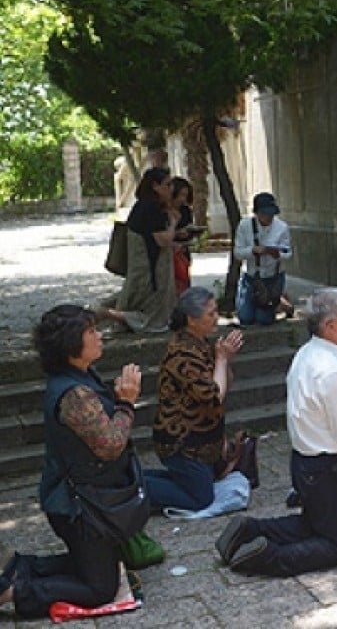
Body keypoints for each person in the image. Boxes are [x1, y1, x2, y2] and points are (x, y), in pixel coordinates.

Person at [214, 287, 337, 576]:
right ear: (330, 326)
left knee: (316, 524)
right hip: (330, 469)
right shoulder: (330, 369)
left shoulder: (307, 353)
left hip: (307, 464)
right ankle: (268, 557)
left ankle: (251, 531)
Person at [0, 305, 142, 618]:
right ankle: (15, 592)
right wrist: (126, 404)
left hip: (86, 498)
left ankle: (19, 567)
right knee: (100, 589)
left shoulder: (78, 375)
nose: (99, 336)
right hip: (78, 508)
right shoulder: (74, 394)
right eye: (91, 332)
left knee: (93, 566)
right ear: (70, 345)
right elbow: (110, 445)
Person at [145, 287, 244, 511]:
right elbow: (213, 396)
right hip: (181, 442)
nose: (216, 317)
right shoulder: (183, 354)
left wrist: (224, 360)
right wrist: (221, 359)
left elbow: (223, 385)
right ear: (192, 319)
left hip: (202, 438)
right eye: (210, 314)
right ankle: (134, 486)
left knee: (197, 486)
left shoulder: (199, 344)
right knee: (200, 499)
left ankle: (134, 478)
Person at [97, 167, 179, 332]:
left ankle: (107, 313)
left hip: (144, 267)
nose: (171, 189)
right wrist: (173, 223)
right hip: (149, 269)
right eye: (167, 185)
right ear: (155, 186)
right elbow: (163, 240)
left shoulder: (144, 206)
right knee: (150, 317)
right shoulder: (150, 208)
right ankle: (106, 313)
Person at [233, 192, 293, 326]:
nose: (269, 218)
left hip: (273, 277)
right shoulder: (244, 226)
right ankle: (280, 302)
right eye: (265, 214)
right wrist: (253, 251)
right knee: (245, 318)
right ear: (257, 213)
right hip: (252, 276)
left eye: (271, 214)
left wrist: (278, 254)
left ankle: (279, 302)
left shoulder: (282, 227)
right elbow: (238, 253)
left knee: (263, 320)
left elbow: (288, 253)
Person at [170, 177, 195, 296]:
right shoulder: (164, 211)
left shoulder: (185, 210)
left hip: (183, 252)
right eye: (181, 195)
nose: (182, 199)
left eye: (186, 196)